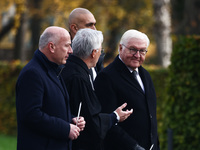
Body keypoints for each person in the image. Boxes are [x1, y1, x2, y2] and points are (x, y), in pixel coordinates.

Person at [61, 28, 133, 150]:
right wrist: (115, 116)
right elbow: (91, 122)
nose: (101, 53)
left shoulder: (67, 68)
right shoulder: (78, 78)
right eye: (100, 50)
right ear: (94, 53)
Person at [15, 26, 86, 150]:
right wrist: (65, 128)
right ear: (51, 47)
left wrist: (71, 119)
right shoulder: (32, 73)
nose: (71, 51)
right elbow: (31, 115)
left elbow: (52, 109)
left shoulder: (53, 70)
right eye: (67, 45)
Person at [94, 29, 160, 150]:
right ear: (120, 48)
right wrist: (134, 147)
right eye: (133, 49)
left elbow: (151, 117)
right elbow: (106, 122)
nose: (137, 55)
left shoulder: (145, 74)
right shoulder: (106, 77)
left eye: (142, 51)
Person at [68, 7, 104, 80]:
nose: (94, 29)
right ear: (74, 28)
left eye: (94, 24)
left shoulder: (96, 49)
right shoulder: (64, 54)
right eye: (89, 25)